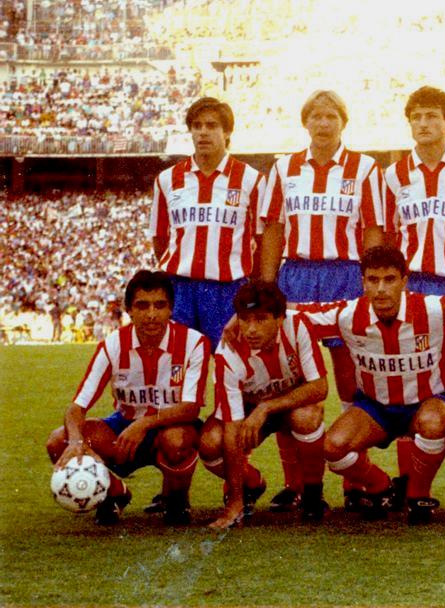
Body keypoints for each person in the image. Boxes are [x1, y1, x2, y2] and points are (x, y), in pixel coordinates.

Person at [299, 245, 445, 524]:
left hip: (426, 403)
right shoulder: (346, 315)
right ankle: (381, 486)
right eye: (373, 280)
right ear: (363, 282)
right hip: (375, 409)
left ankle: (418, 496)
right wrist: (243, 318)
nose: (381, 289)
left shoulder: (433, 309)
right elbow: (292, 315)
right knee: (333, 447)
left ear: (404, 281)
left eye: (389, 279)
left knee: (433, 422)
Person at [260, 90, 385, 512]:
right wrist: (268, 287)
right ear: (305, 122)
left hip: (345, 276)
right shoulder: (284, 168)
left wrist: (370, 283)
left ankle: (353, 479)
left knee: (350, 378)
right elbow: (273, 229)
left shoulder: (364, 168)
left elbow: (373, 230)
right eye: (315, 116)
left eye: (331, 116)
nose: (323, 123)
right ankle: (295, 483)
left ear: (342, 122)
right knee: (292, 382)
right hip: (296, 276)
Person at [383, 86, 445, 510]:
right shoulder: (393, 175)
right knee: (411, 386)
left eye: (432, 116)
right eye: (417, 116)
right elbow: (390, 236)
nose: (424, 123)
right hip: (415, 290)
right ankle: (410, 481)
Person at [46, 270, 210, 525]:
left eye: (160, 305)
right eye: (142, 306)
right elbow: (76, 408)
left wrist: (143, 424)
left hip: (171, 427)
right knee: (58, 441)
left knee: (177, 440)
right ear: (129, 310)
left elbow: (190, 409)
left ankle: (177, 499)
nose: (152, 314)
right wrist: (76, 442)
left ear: (171, 309)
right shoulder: (113, 344)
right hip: (124, 429)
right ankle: (114, 493)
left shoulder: (194, 343)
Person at [199, 280, 328, 528]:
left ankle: (312, 495)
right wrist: (234, 502)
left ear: (280, 319)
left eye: (260, 319)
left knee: (308, 416)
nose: (251, 329)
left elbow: (319, 387)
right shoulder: (228, 353)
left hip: (286, 406)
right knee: (210, 442)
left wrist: (266, 407)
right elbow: (232, 428)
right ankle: (250, 484)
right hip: (247, 413)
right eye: (245, 320)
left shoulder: (298, 326)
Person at [150, 97, 265, 351]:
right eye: (197, 125)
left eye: (212, 125)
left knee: (231, 362)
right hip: (180, 290)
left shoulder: (251, 180)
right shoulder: (167, 179)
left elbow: (262, 239)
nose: (203, 132)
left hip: (228, 290)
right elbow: (159, 238)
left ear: (227, 132)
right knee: (178, 362)